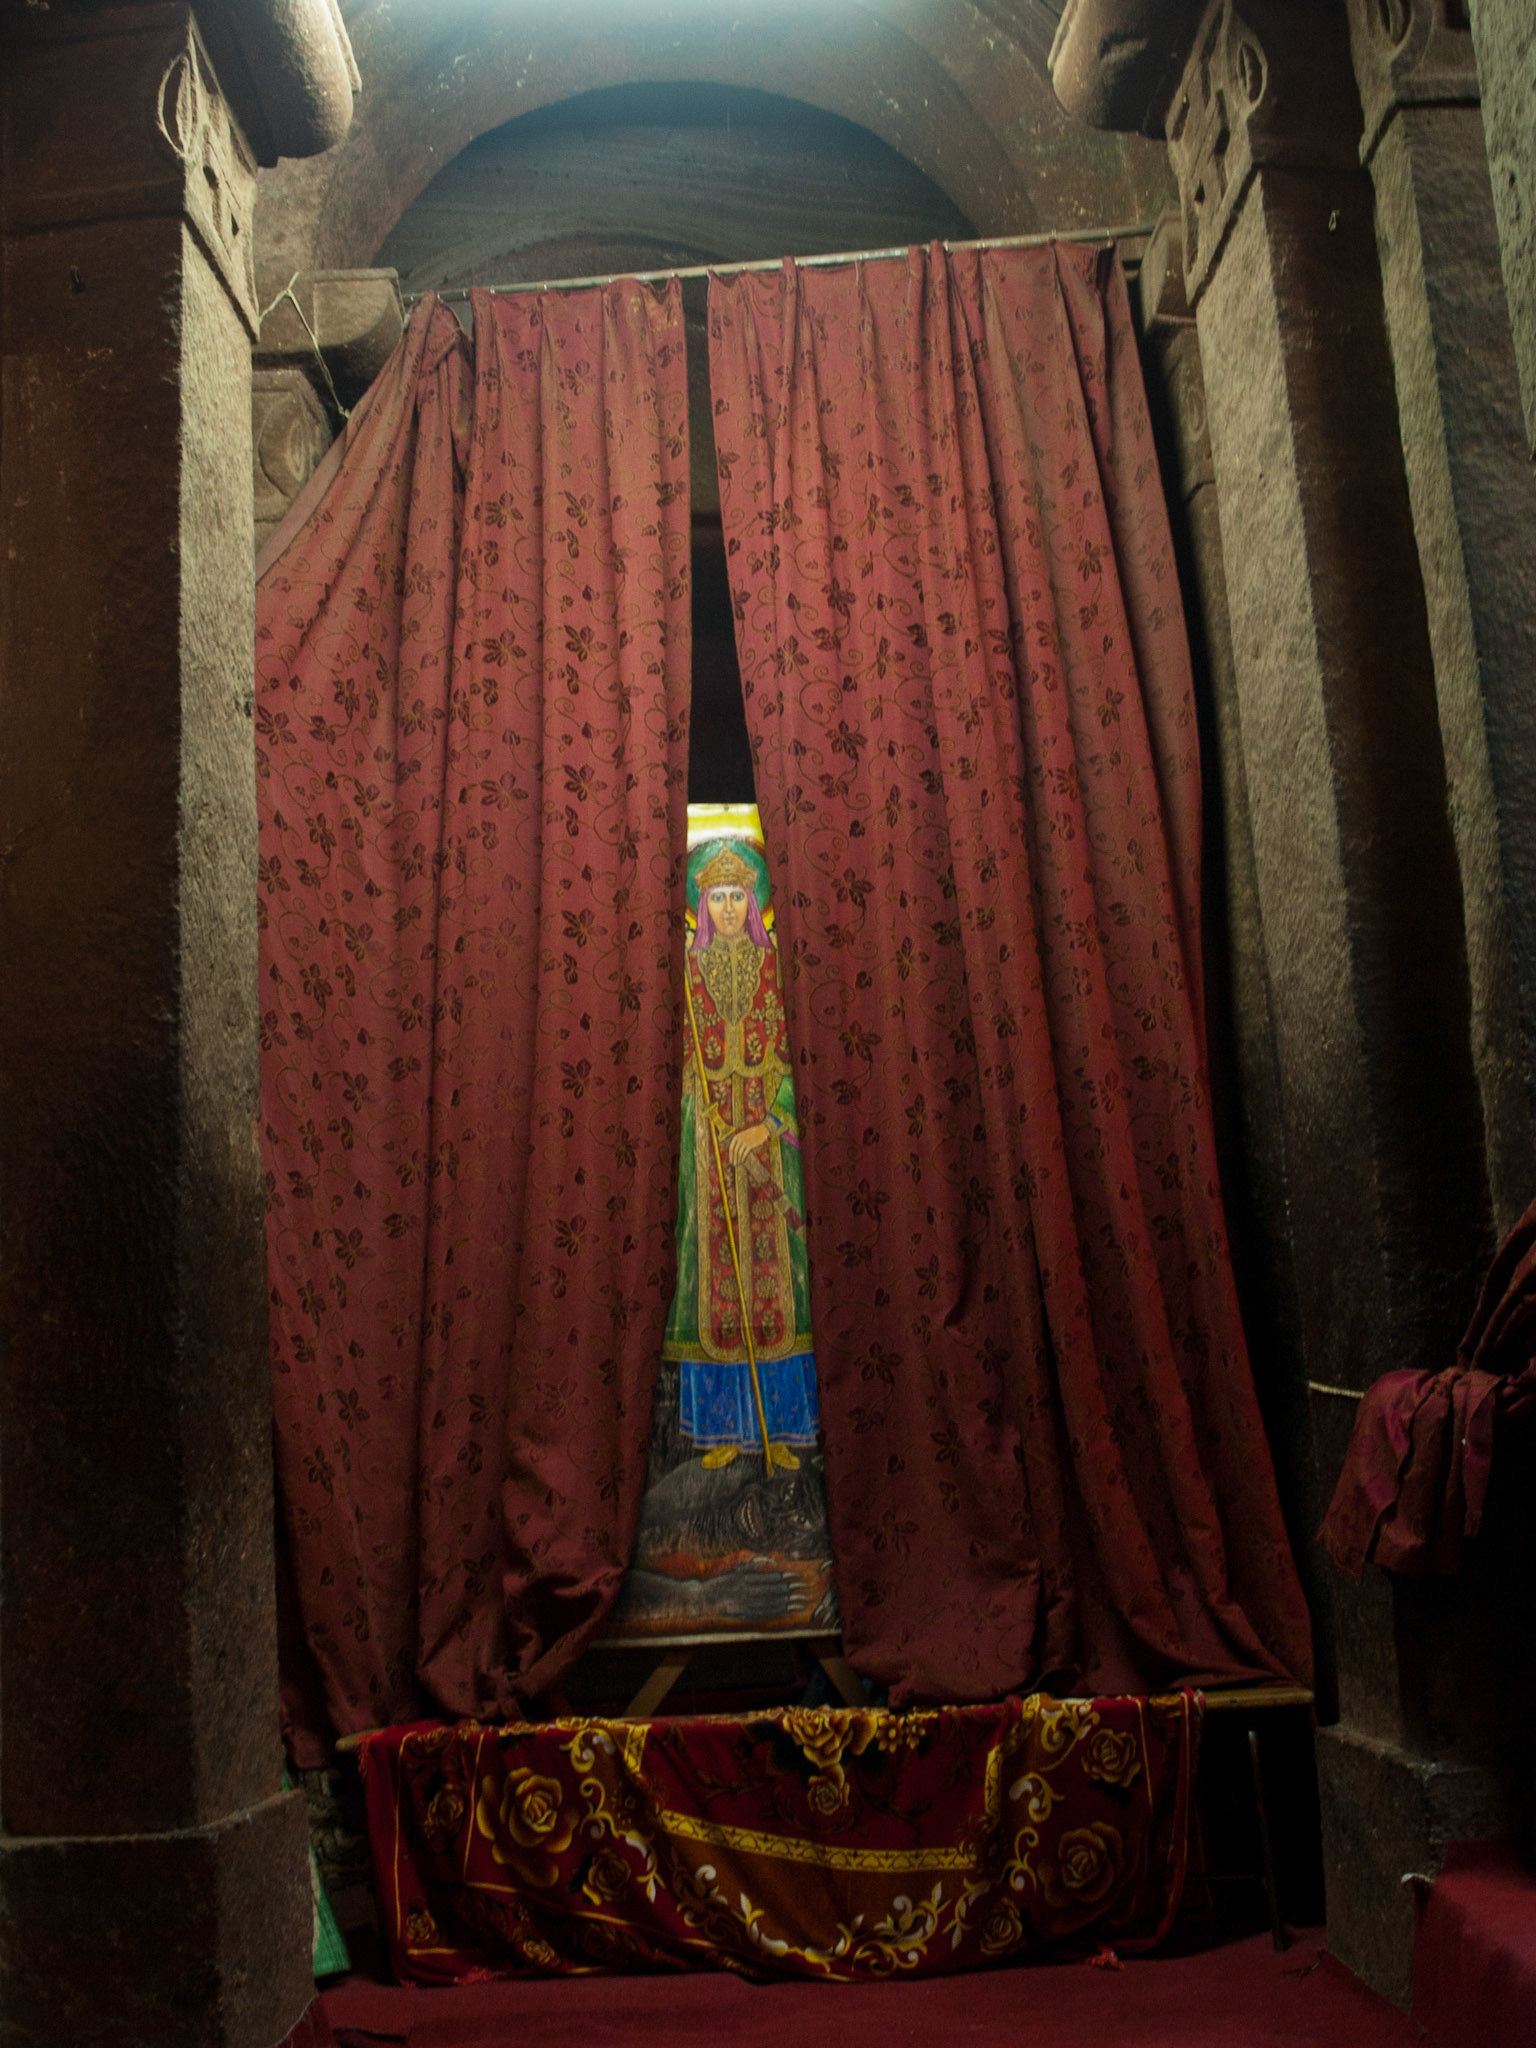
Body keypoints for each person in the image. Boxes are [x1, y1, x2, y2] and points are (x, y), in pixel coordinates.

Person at [666, 836, 817, 1469]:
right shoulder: (688, 974)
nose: (728, 909)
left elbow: (793, 1058)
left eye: (738, 898)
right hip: (706, 1146)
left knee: (777, 1283)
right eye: (717, 898)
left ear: (754, 904)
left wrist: (770, 1123)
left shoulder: (778, 971)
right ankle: (723, 1432)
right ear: (703, 907)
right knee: (713, 1276)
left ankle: (779, 1430)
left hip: (767, 1146)